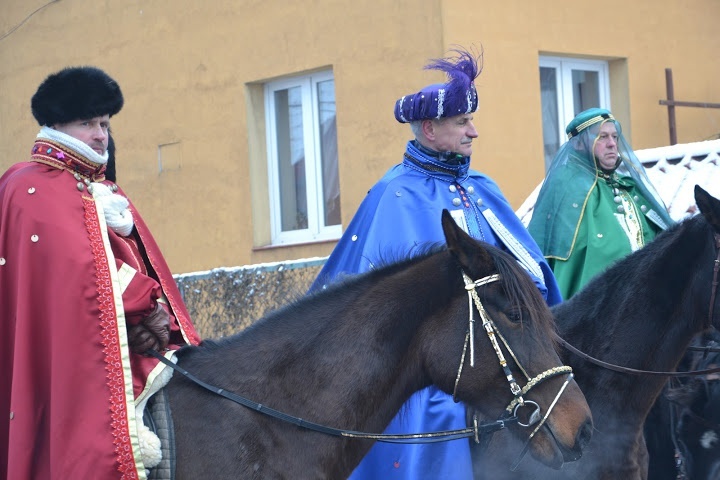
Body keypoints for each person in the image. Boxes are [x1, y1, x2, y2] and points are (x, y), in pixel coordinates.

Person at [310, 47, 562, 480]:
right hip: (432, 371)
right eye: (462, 122)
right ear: (429, 128)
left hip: (507, 356)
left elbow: (532, 277)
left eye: (471, 121)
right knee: (434, 411)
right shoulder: (395, 194)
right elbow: (387, 315)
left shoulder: (482, 186)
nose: (473, 132)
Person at [0, 66, 201, 479]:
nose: (100, 135)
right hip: (74, 355)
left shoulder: (102, 189)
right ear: (56, 124)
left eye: (105, 124)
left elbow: (138, 260)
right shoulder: (29, 186)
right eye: (87, 123)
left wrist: (155, 317)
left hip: (132, 340)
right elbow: (74, 270)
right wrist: (144, 309)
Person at [528, 108, 673, 300]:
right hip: (599, 304)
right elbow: (575, 260)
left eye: (615, 136)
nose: (612, 144)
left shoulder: (626, 186)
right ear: (579, 144)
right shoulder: (567, 186)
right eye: (602, 137)